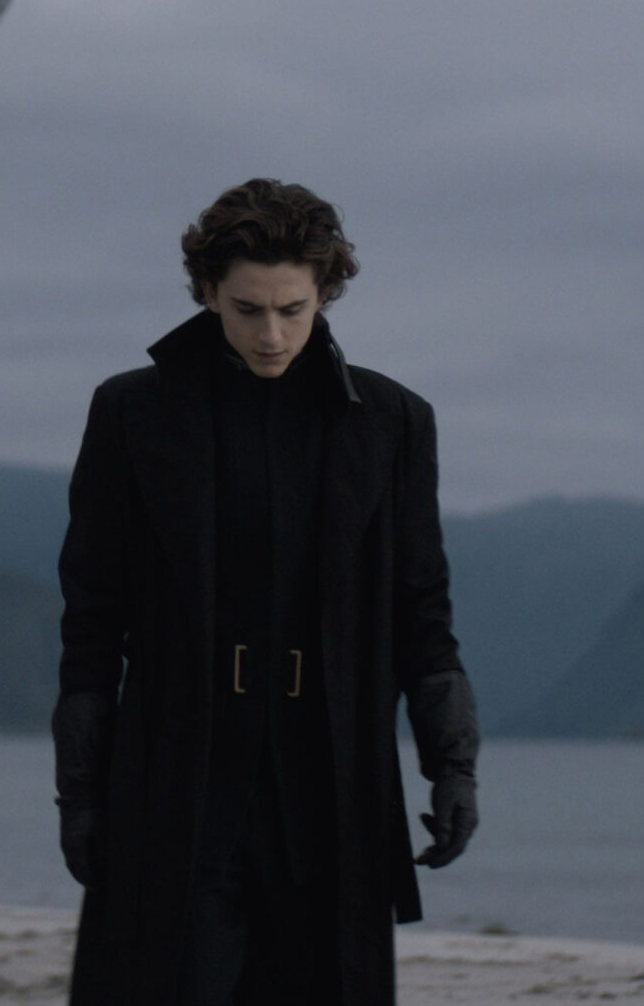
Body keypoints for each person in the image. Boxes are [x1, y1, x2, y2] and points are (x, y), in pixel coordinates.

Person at [52, 178, 481, 1006]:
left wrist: (453, 768)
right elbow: (92, 626)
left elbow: (422, 615)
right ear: (209, 291)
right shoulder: (132, 414)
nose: (272, 333)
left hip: (331, 783)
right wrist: (80, 795)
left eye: (293, 309)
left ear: (326, 294)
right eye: (248, 309)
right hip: (178, 776)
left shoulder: (391, 422)